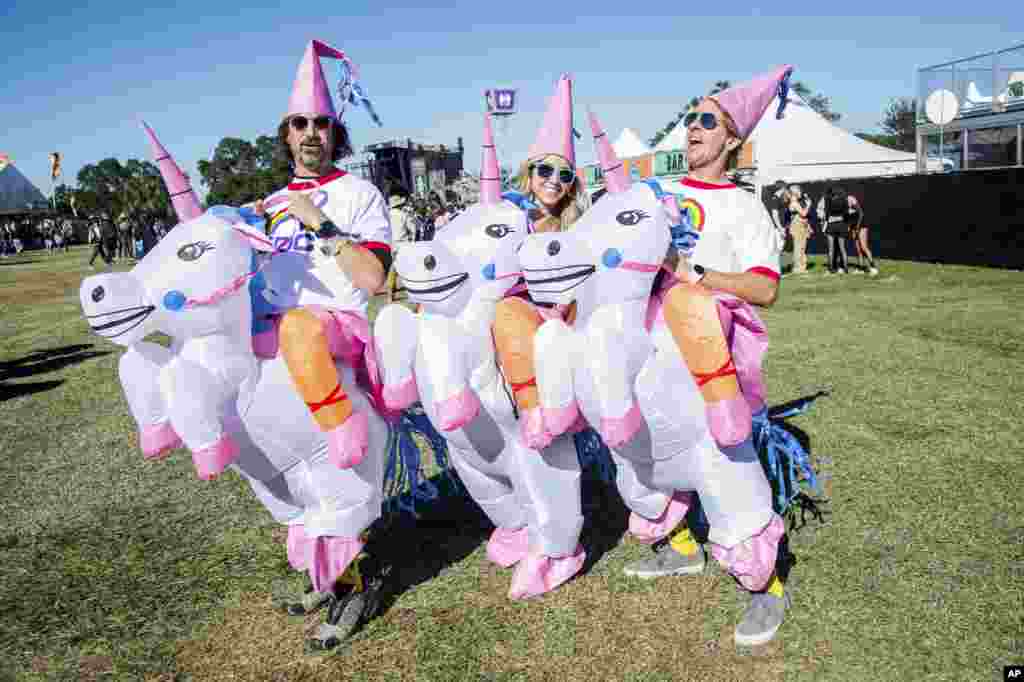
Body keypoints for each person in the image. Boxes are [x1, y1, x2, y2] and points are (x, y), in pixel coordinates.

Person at [630, 65, 795, 647]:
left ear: (730, 140)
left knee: (725, 463)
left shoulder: (745, 209)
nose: (692, 128)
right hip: (643, 351)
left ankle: (764, 585)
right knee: (642, 450)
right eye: (690, 118)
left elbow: (766, 289)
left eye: (707, 121)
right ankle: (677, 548)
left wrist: (695, 274)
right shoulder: (654, 194)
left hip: (706, 361)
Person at [255, 40, 392, 644]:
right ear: (285, 133)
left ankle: (355, 585)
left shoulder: (360, 195)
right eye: (299, 124)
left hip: (333, 338)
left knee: (339, 475)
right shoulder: (264, 206)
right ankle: (324, 569)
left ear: (336, 133)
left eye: (321, 124)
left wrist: (321, 223)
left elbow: (373, 279)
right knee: (287, 471)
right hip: (277, 348)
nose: (310, 133)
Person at [489, 73, 591, 597]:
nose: (555, 179)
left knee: (543, 440)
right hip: (505, 347)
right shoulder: (507, 220)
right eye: (546, 170)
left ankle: (558, 543)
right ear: (529, 173)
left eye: (565, 174)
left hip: (554, 337)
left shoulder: (579, 229)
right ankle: (522, 519)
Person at [817, 185, 850, 274]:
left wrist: (823, 223)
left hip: (831, 225)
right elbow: (847, 213)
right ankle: (846, 268)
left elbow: (825, 213)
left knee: (831, 249)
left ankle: (831, 269)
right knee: (843, 248)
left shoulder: (827, 199)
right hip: (842, 224)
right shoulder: (844, 199)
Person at [847, 193, 878, 275]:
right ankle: (860, 268)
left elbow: (861, 213)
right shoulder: (843, 206)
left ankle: (873, 267)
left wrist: (857, 227)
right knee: (858, 249)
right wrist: (851, 229)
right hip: (854, 228)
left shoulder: (851, 200)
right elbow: (849, 219)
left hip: (862, 226)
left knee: (864, 247)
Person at [785, 185, 812, 274]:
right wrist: (808, 205)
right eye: (800, 191)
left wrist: (808, 226)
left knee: (802, 247)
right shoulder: (794, 203)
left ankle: (802, 267)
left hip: (801, 225)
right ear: (795, 193)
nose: (801, 193)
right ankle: (797, 267)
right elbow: (803, 214)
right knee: (798, 247)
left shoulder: (796, 202)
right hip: (797, 226)